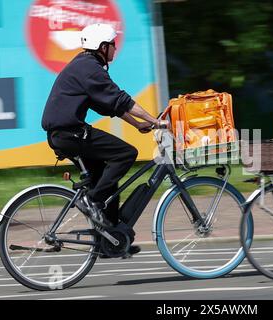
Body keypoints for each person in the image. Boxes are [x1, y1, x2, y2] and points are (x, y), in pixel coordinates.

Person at [41, 23, 166, 257]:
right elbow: (121, 99)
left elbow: (109, 105)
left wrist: (138, 124)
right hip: (70, 133)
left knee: (106, 178)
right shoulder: (89, 68)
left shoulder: (85, 65)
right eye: (112, 45)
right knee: (125, 153)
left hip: (64, 134)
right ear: (102, 47)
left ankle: (108, 241)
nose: (115, 49)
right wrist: (155, 121)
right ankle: (93, 201)